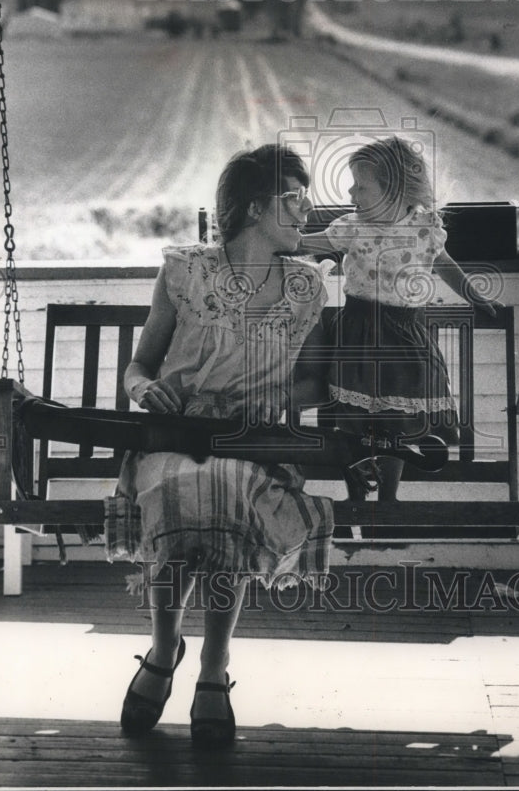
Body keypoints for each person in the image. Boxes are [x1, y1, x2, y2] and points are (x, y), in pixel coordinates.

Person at [105, 143, 331, 747]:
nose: (308, 209)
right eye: (295, 198)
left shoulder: (307, 288)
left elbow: (314, 379)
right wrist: (146, 392)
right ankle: (163, 647)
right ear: (257, 208)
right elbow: (139, 366)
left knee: (229, 487)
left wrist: (269, 384)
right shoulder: (185, 272)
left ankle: (211, 665)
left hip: (252, 441)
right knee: (189, 482)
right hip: (173, 437)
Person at [299, 135, 498, 501]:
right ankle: (358, 493)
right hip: (358, 332)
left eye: (361, 185)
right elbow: (308, 244)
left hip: (405, 335)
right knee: (353, 418)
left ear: (393, 190)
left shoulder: (424, 229)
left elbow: (446, 266)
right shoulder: (352, 227)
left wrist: (474, 294)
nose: (350, 191)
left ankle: (388, 497)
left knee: (397, 421)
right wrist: (272, 239)